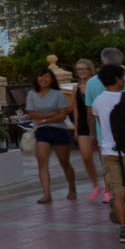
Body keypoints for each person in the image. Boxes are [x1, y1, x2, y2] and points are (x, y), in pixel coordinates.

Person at [90, 64, 125, 240]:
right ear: (118, 79)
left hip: (109, 151)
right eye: (122, 77)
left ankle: (123, 228)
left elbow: (100, 123)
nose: (124, 80)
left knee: (118, 191)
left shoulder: (97, 101)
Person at [24, 66, 77, 202]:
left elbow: (62, 115)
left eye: (47, 76)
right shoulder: (32, 94)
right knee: (42, 163)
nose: (44, 79)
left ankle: (72, 187)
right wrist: (51, 113)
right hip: (42, 131)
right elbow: (31, 113)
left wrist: (43, 119)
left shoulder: (58, 94)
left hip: (59, 130)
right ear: (36, 79)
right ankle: (47, 194)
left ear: (52, 79)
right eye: (41, 76)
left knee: (64, 162)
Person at [71, 58, 103, 204]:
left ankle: (109, 187)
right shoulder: (76, 88)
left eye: (84, 68)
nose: (81, 71)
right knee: (85, 156)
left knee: (104, 157)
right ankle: (95, 184)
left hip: (97, 121)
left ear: (90, 69)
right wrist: (76, 129)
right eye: (79, 69)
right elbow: (76, 108)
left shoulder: (96, 85)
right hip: (83, 123)